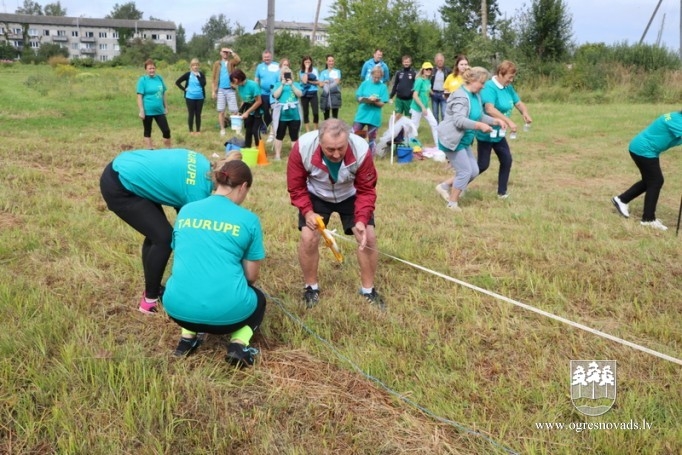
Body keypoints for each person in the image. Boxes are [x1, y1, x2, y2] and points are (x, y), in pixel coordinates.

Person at [164, 159, 266, 367]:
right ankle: (239, 344)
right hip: (228, 318)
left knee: (192, 279)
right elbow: (251, 277)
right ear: (244, 186)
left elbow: (182, 252)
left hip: (176, 310)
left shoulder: (186, 210)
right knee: (259, 299)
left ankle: (188, 339)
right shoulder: (248, 219)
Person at [99, 148, 214, 314]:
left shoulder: (201, 160)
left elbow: (181, 206)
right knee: (164, 238)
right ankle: (149, 301)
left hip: (126, 166)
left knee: (156, 235)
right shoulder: (199, 193)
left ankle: (153, 289)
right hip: (120, 186)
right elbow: (194, 231)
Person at [287, 119, 384, 309]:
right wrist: (307, 212)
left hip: (351, 194)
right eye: (330, 149)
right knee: (308, 237)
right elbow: (296, 186)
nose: (337, 154)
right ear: (319, 141)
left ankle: (368, 290)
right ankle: (311, 287)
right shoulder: (302, 147)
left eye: (341, 148)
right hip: (316, 194)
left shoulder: (361, 149)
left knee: (368, 238)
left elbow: (366, 189)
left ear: (348, 139)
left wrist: (362, 220)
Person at [436, 67, 505, 212]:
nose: (484, 86)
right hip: (452, 140)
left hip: (464, 140)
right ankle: (452, 204)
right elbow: (459, 121)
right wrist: (479, 126)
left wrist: (495, 121)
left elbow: (478, 115)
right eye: (482, 82)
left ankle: (444, 187)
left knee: (474, 171)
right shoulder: (461, 96)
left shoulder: (476, 95)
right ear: (473, 80)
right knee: (465, 171)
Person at [611, 111, 682, 231]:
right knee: (655, 181)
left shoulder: (676, 116)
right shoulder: (678, 121)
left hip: (641, 147)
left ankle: (622, 199)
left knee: (650, 180)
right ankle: (648, 219)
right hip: (643, 150)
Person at [476, 60, 533, 199]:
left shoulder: (508, 87)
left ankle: (502, 193)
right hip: (487, 131)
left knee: (507, 160)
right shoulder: (489, 87)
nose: (511, 80)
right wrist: (508, 121)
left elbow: (518, 102)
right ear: (500, 74)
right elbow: (489, 109)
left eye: (513, 77)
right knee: (483, 165)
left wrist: (524, 112)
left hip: (499, 134)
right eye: (509, 77)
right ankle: (460, 183)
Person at [435, 54, 470, 201]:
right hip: (453, 115)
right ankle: (455, 192)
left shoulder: (469, 78)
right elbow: (445, 92)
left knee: (467, 166)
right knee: (464, 168)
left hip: (466, 121)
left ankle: (456, 185)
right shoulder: (452, 78)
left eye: (466, 64)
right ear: (457, 66)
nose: (464, 67)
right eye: (462, 64)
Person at [353, 66, 389, 156]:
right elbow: (358, 97)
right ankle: (355, 153)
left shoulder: (383, 87)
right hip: (362, 114)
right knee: (356, 134)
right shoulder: (365, 84)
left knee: (372, 137)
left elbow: (382, 103)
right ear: (372, 75)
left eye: (379, 77)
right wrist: (362, 98)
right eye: (375, 77)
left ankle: (370, 156)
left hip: (374, 116)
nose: (376, 79)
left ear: (381, 76)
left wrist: (375, 101)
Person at [136, 59, 171, 149]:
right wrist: (141, 111)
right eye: (149, 68)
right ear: (146, 69)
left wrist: (165, 107)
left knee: (166, 130)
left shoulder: (159, 78)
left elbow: (163, 94)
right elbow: (139, 96)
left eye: (153, 68)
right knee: (148, 131)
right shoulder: (142, 80)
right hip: (148, 111)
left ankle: (169, 149)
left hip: (159, 110)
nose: (152, 70)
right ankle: (150, 149)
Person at [272, 63, 303, 161]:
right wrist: (282, 84)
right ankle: (277, 155)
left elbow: (300, 94)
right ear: (281, 75)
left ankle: (294, 157)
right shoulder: (277, 84)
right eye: (283, 74)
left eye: (288, 73)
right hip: (282, 115)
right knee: (279, 135)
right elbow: (275, 95)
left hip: (295, 114)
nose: (286, 75)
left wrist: (291, 85)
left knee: (294, 136)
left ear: (291, 74)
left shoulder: (296, 84)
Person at [211, 47, 241, 136]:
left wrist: (232, 52)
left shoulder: (231, 62)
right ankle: (222, 129)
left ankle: (237, 130)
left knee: (234, 110)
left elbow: (238, 60)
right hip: (220, 89)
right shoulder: (217, 64)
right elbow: (213, 78)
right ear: (220, 53)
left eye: (227, 52)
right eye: (224, 52)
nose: (225, 54)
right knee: (221, 111)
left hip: (230, 89)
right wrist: (213, 91)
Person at [230, 69, 263, 149]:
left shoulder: (253, 85)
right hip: (248, 108)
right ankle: (247, 149)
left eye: (234, 80)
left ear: (239, 78)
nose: (233, 83)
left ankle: (260, 151)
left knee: (255, 131)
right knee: (248, 131)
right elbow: (245, 100)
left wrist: (247, 112)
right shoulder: (240, 87)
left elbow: (259, 101)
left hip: (258, 110)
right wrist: (239, 112)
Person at [175, 58, 206, 136]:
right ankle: (191, 130)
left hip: (200, 97)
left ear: (198, 66)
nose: (195, 67)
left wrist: (198, 76)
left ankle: (198, 130)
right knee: (191, 114)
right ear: (191, 66)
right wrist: (184, 89)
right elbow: (177, 82)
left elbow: (203, 84)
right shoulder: (188, 74)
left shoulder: (201, 74)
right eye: (193, 65)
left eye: (196, 65)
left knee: (198, 114)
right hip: (190, 97)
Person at [410, 62, 439, 146]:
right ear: (423, 70)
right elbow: (415, 95)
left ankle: (438, 145)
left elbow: (428, 89)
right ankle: (410, 145)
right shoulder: (419, 80)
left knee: (434, 123)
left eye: (430, 69)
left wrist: (437, 95)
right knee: (414, 127)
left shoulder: (427, 80)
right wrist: (422, 107)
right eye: (427, 69)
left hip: (425, 107)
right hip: (417, 108)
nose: (428, 71)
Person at [254, 50, 281, 140]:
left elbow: (279, 79)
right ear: (262, 58)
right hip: (263, 93)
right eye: (265, 57)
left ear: (271, 57)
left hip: (274, 93)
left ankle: (273, 131)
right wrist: (256, 90)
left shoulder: (276, 66)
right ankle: (265, 127)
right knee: (265, 112)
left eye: (268, 57)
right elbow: (256, 79)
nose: (267, 58)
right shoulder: (260, 66)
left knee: (274, 112)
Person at [389, 55, 416, 120]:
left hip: (409, 99)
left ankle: (408, 129)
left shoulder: (413, 73)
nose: (406, 63)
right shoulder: (399, 73)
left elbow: (416, 86)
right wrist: (391, 97)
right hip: (399, 99)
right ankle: (397, 129)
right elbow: (395, 85)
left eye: (408, 62)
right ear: (402, 62)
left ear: (410, 62)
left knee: (408, 117)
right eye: (405, 62)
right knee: (398, 115)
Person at [299, 55, 320, 132]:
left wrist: (310, 82)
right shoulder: (301, 71)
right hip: (304, 93)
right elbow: (304, 81)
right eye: (306, 62)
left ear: (311, 62)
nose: (307, 63)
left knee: (315, 112)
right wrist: (306, 69)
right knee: (306, 112)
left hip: (313, 92)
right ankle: (308, 130)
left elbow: (318, 82)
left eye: (309, 62)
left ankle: (315, 129)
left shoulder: (315, 70)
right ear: (303, 63)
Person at [319, 54, 342, 120]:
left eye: (332, 61)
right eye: (329, 61)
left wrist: (328, 83)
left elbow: (337, 81)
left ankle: (335, 129)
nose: (331, 62)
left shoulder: (337, 71)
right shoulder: (323, 72)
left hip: (335, 95)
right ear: (326, 62)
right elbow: (320, 84)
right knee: (326, 116)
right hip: (326, 95)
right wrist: (325, 82)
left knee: (335, 116)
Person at [430, 53, 451, 123]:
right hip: (434, 94)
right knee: (435, 114)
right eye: (438, 60)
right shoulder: (431, 70)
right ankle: (436, 131)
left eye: (441, 60)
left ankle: (444, 130)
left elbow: (451, 81)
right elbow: (426, 81)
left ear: (444, 60)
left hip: (444, 94)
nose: (440, 62)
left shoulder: (448, 70)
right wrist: (430, 91)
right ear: (435, 61)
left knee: (444, 114)